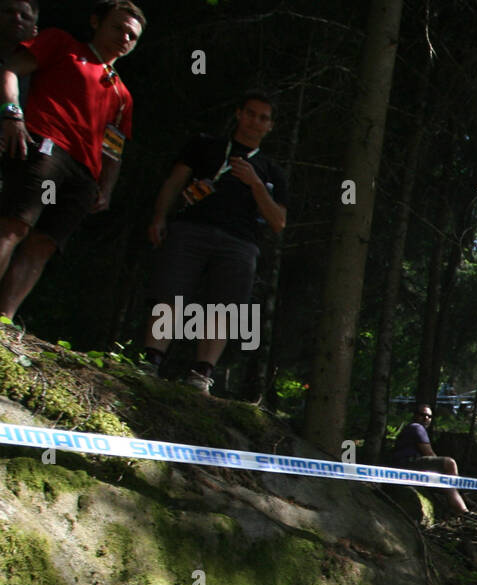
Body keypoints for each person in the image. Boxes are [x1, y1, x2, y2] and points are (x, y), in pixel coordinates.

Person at [0, 1, 144, 327]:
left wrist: (105, 188)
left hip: (84, 175)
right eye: (118, 28)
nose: (124, 37)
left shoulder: (122, 95)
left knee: (43, 244)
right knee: (15, 225)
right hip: (46, 147)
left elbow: (114, 150)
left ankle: (3, 322)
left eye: (132, 35)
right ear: (96, 21)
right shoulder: (61, 44)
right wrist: (11, 113)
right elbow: (9, 70)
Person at [140, 90, 287, 393]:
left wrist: (256, 184)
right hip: (190, 229)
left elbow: (278, 221)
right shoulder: (205, 145)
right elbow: (174, 183)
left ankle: (201, 373)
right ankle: (151, 360)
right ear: (238, 114)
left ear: (270, 126)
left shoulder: (272, 171)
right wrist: (159, 217)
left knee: (223, 307)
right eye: (250, 113)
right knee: (171, 293)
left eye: (263, 118)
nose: (254, 122)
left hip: (240, 242)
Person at [390, 403, 470, 515]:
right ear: (415, 415)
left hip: (403, 464)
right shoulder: (417, 427)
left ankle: (459, 505)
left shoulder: (411, 428)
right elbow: (428, 453)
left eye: (429, 416)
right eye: (422, 415)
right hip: (407, 464)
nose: (426, 418)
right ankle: (461, 506)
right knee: (449, 463)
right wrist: (441, 467)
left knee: (447, 484)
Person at [0, 1, 37, 105]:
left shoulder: (40, 71)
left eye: (25, 16)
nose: (17, 18)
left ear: (34, 27)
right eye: (9, 12)